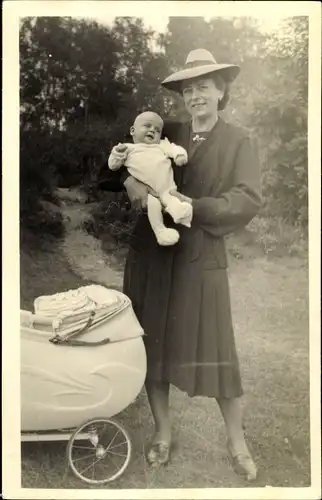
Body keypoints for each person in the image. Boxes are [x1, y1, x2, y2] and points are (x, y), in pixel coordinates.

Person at [99, 48, 262, 481]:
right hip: (152, 255)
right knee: (153, 346)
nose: (195, 96)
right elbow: (117, 162)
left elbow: (248, 199)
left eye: (203, 87)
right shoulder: (165, 130)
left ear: (221, 90)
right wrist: (131, 181)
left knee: (216, 350)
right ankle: (163, 433)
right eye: (188, 89)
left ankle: (237, 442)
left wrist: (198, 206)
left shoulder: (238, 140)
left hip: (201, 257)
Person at [107, 111, 192, 246]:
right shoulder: (129, 148)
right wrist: (117, 153)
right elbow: (113, 166)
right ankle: (160, 232)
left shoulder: (162, 145)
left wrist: (179, 156)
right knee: (154, 206)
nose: (152, 130)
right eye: (147, 126)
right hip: (148, 192)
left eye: (157, 130)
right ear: (133, 130)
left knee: (172, 200)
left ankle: (180, 213)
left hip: (166, 188)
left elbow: (174, 149)